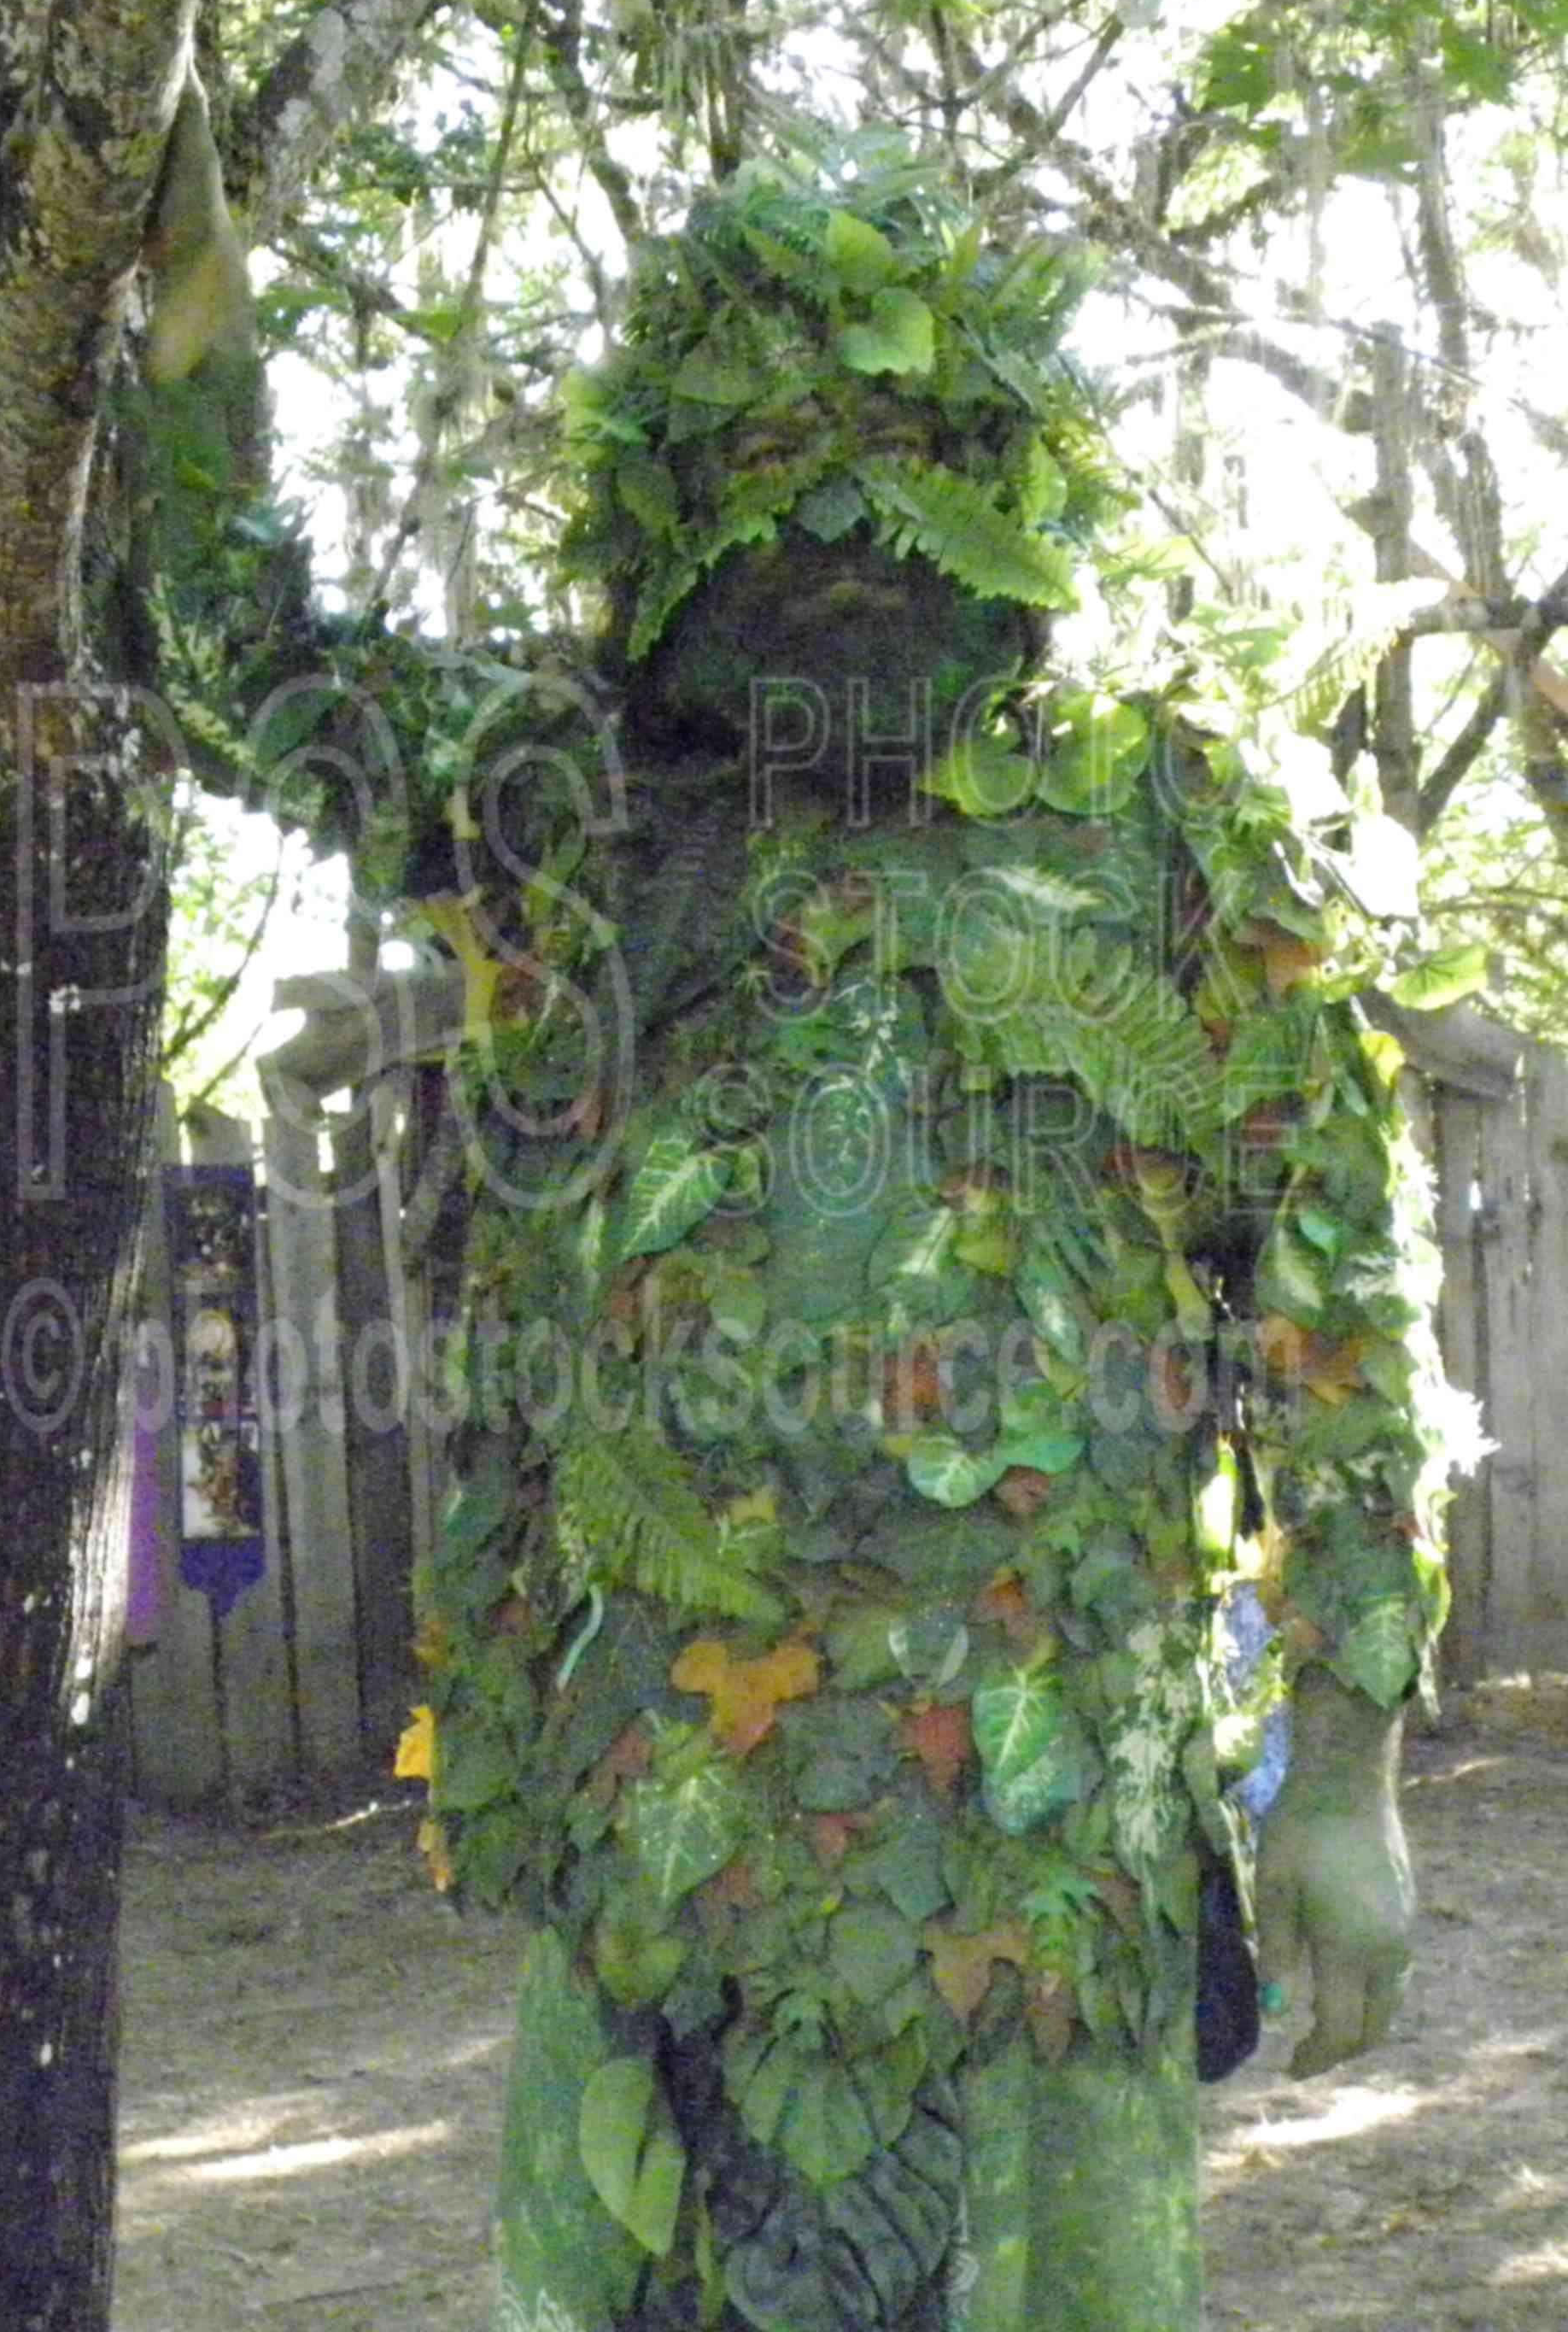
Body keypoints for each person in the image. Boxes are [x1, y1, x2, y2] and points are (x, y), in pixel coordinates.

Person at [254, 156, 1466, 2330]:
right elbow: (248, 660)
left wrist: (1350, 1770)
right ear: (676, 529)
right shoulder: (583, 827)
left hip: (1040, 1851)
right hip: (660, 1846)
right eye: (773, 506)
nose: (835, 570)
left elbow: (1337, 1317)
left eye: (895, 499)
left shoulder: (1168, 831)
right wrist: (180, 301)